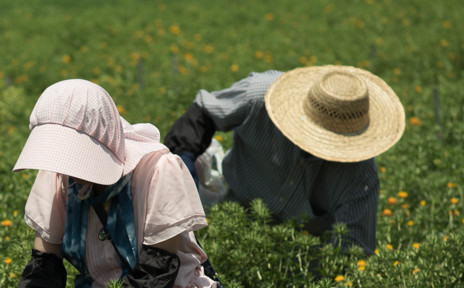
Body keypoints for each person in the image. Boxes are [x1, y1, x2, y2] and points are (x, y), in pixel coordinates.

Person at [0, 79, 279, 288]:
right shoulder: (58, 174)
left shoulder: (157, 170)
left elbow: (155, 275)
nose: (72, 170)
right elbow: (45, 264)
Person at [164, 66, 405, 255]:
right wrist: (183, 175)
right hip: (235, 212)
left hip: (301, 250)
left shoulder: (360, 178)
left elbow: (353, 254)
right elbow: (202, 115)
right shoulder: (260, 96)